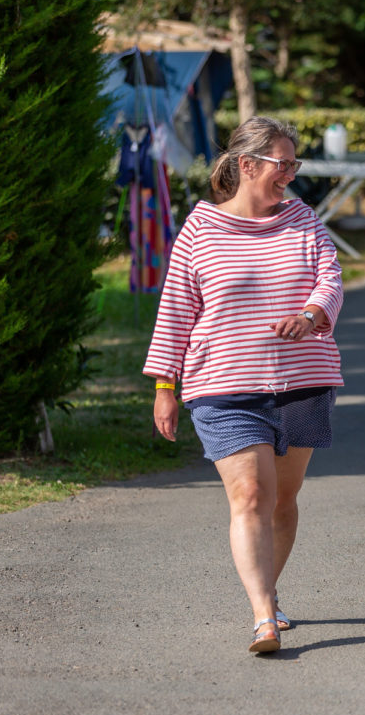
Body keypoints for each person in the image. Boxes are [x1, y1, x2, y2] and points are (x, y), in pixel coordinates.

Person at [144, 116, 344, 654]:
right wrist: (166, 385)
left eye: (294, 164)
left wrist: (311, 313)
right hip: (224, 384)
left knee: (283, 499)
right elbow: (176, 309)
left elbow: (331, 275)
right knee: (252, 494)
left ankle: (269, 592)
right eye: (284, 164)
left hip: (302, 380)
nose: (291, 175)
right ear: (247, 165)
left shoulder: (303, 219)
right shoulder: (201, 228)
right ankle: (263, 616)